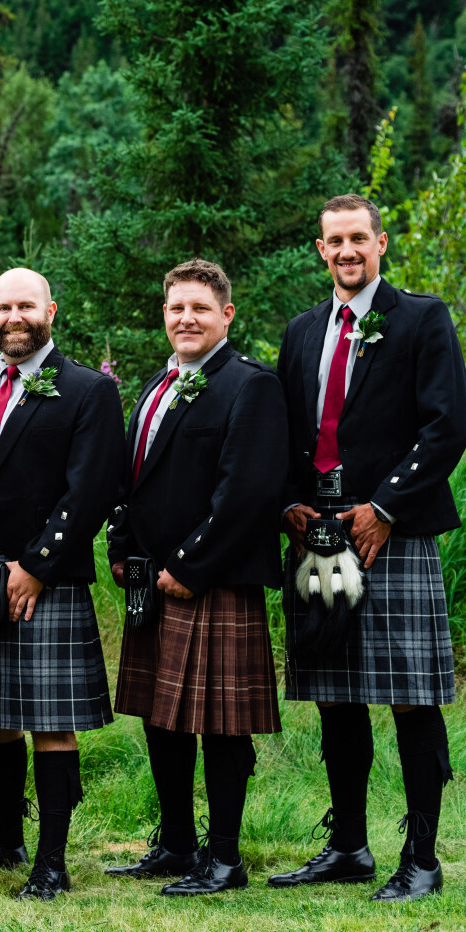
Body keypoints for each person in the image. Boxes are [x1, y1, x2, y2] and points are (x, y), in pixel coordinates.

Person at [270, 194, 466, 902]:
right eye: (335, 241)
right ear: (320, 251)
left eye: (359, 238)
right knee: (335, 694)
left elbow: (446, 428)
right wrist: (290, 501)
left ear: (380, 243)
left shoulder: (421, 318)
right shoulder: (300, 332)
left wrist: (384, 508)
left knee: (411, 696)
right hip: (317, 535)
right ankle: (349, 846)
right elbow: (285, 431)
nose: (347, 251)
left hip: (395, 531)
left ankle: (422, 858)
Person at [0, 267, 125, 901]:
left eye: (25, 306)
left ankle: (51, 861)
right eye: (2, 307)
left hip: (44, 576)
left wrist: (38, 564)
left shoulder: (86, 390)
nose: (13, 318)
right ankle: (6, 841)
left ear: (50, 309)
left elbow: (90, 487)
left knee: (49, 720)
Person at [105, 259, 287, 896]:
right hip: (152, 581)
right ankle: (178, 844)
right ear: (164, 314)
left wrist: (189, 566)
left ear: (226, 316)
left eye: (200, 309)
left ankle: (226, 857)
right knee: (161, 716)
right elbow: (132, 481)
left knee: (220, 722)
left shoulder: (248, 385)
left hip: (213, 579)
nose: (187, 319)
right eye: (177, 308)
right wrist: (123, 552)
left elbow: (248, 492)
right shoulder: (159, 383)